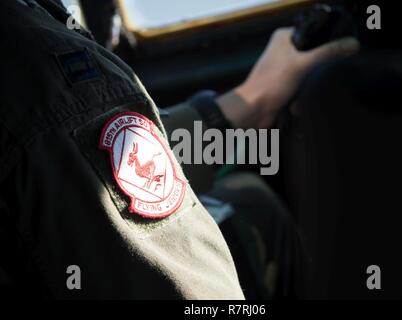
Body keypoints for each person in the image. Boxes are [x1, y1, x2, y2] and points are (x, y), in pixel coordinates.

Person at [0, 0, 359, 298]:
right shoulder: (33, 54)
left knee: (249, 198)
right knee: (260, 216)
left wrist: (246, 104)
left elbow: (82, 161)